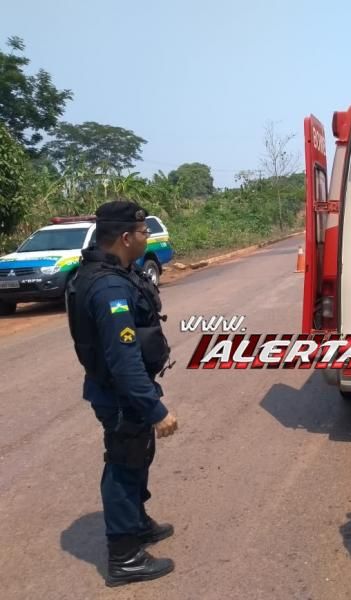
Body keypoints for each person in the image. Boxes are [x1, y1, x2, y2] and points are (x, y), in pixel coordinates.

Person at [66, 200, 178, 587]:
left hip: (123, 392)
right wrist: (155, 409)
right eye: (145, 231)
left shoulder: (114, 273)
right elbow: (123, 359)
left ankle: (137, 523)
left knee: (137, 456)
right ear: (126, 237)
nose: (149, 237)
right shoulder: (109, 286)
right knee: (123, 466)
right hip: (121, 395)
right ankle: (124, 556)